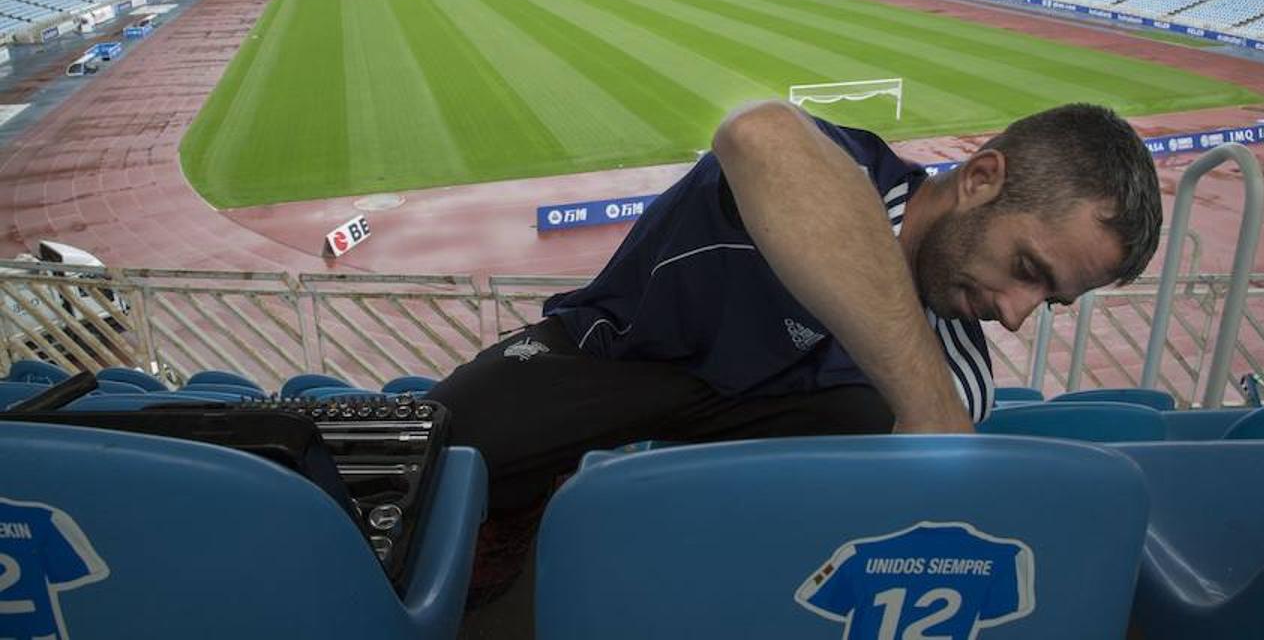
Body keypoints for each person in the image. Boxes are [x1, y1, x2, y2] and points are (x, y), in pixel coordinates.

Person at [426, 100, 1162, 603]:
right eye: (1029, 270)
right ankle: (525, 497)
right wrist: (923, 397)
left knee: (869, 433)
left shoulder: (963, 375)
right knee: (437, 438)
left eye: (1050, 301)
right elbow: (761, 138)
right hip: (619, 356)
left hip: (745, 455)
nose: (1014, 316)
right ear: (980, 179)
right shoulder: (847, 177)